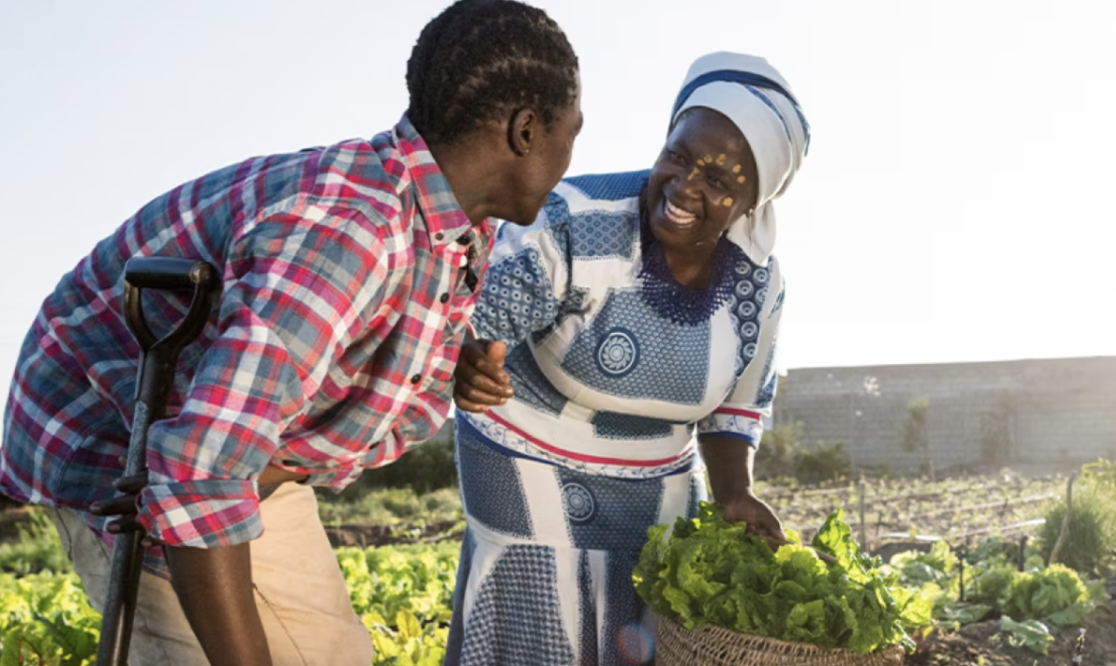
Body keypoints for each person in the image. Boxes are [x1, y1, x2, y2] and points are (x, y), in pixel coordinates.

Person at [0, 1, 582, 664]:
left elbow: (320, 342)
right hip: (113, 434)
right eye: (574, 129)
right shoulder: (351, 235)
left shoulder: (453, 220)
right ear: (528, 130)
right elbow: (197, 475)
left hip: (245, 456)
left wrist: (444, 357)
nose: (572, 151)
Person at [446, 51, 810, 666]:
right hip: (526, 450)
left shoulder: (759, 286)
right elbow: (464, 320)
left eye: (719, 182)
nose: (686, 186)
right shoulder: (573, 220)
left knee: (642, 637)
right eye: (678, 155)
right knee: (546, 630)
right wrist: (465, 357)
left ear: (753, 202)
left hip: (659, 481)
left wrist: (733, 492)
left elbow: (736, 408)